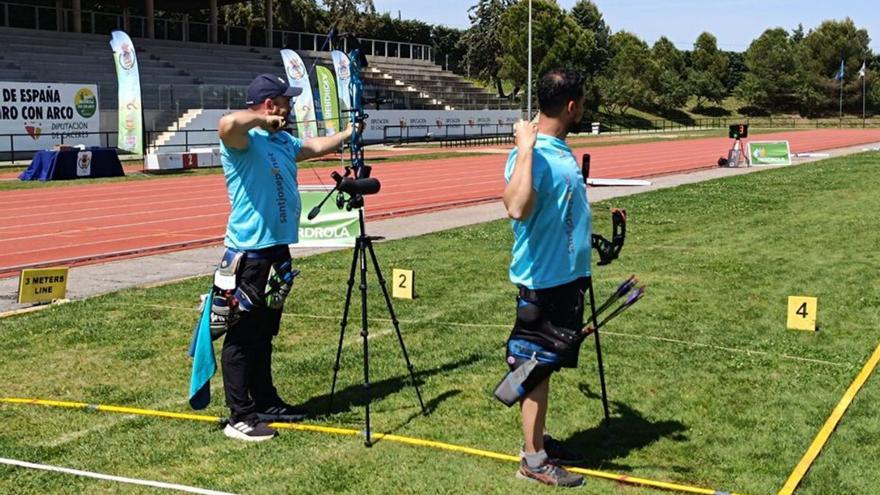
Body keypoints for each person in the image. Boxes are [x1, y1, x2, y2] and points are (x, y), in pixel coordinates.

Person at [215, 73, 358, 442]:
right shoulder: (244, 140)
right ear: (269, 104)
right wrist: (262, 121)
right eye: (284, 100)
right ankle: (239, 416)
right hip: (249, 253)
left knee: (264, 332)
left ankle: (264, 401)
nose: (290, 106)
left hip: (277, 251)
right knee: (242, 335)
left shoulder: (282, 139)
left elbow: (311, 148)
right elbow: (227, 123)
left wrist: (347, 135)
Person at [502, 69, 592, 487]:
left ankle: (538, 441)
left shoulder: (556, 148)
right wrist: (524, 149)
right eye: (583, 102)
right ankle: (533, 459)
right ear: (571, 106)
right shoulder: (533, 152)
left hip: (566, 278)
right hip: (543, 282)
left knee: (545, 367)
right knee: (535, 369)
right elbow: (517, 207)